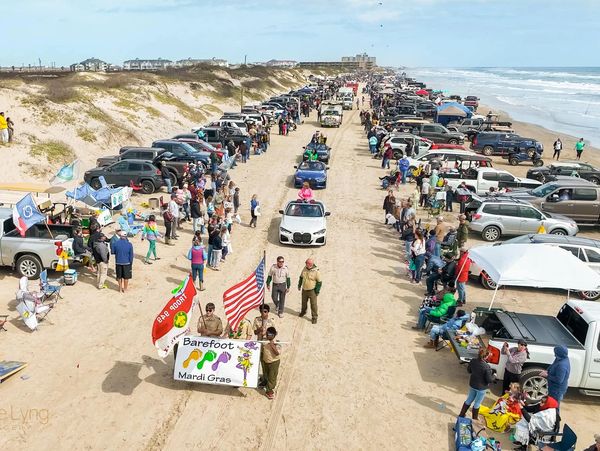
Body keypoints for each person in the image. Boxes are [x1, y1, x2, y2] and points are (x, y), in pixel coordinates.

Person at [459, 347, 494, 420]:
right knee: (477, 403)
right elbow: (489, 380)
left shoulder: (473, 361)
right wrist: (494, 376)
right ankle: (474, 419)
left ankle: (461, 415)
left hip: (473, 384)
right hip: (481, 388)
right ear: (486, 356)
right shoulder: (486, 366)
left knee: (469, 400)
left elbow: (469, 371)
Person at [298, 258, 322, 324]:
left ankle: (314, 317)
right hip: (304, 290)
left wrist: (316, 291)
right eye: (306, 263)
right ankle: (303, 312)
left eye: (307, 263)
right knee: (303, 302)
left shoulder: (316, 271)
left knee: (313, 305)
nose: (305, 264)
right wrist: (299, 285)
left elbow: (319, 282)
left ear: (310, 264)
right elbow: (301, 277)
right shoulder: (305, 268)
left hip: (312, 291)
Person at [260, 326, 281, 400]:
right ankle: (265, 382)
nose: (268, 335)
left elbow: (277, 353)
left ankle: (269, 390)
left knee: (272, 377)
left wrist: (272, 345)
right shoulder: (264, 341)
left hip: (274, 362)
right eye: (267, 334)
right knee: (266, 373)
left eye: (270, 334)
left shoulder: (277, 342)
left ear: (274, 335)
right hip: (265, 360)